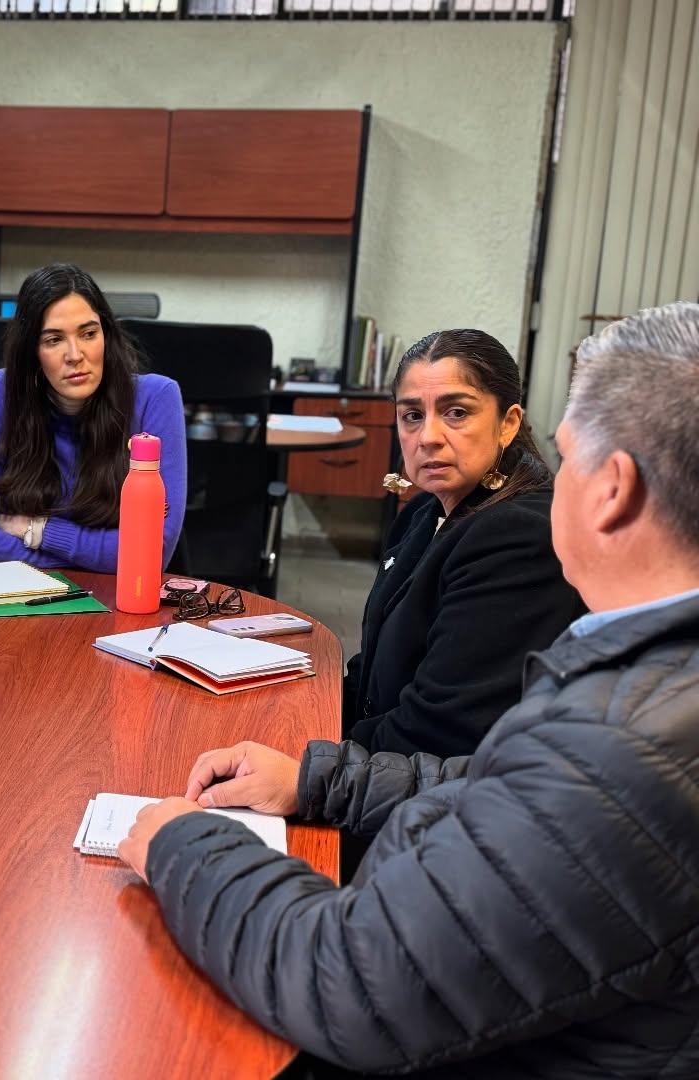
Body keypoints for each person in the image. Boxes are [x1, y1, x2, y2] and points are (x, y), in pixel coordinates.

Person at [118, 301, 699, 1076]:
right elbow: (492, 779)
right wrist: (317, 779)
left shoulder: (617, 747)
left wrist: (180, 844)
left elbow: (351, 983)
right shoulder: (648, 683)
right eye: (414, 415)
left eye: (565, 459)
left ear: (611, 490)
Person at [343, 329, 584, 758]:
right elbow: (373, 666)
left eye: (456, 412)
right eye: (412, 415)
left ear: (508, 423)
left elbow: (439, 731)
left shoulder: (521, 537)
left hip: (430, 783)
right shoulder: (424, 510)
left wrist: (313, 760)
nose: (428, 436)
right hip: (377, 759)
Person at [0, 263, 186, 572]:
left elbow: (151, 552)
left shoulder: (156, 398)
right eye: (53, 340)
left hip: (121, 596)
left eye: (89, 333)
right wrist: (101, 555)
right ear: (32, 352)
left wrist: (38, 532)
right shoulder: (1, 392)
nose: (75, 355)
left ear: (106, 335)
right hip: (26, 596)